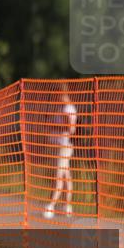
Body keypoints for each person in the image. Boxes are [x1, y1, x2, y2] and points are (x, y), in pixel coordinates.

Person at [44, 87, 78, 219]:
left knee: (58, 176)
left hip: (64, 146)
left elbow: (71, 129)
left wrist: (53, 127)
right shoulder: (60, 108)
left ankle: (51, 205)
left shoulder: (68, 109)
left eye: (57, 96)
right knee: (65, 176)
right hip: (58, 145)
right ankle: (67, 206)